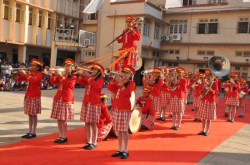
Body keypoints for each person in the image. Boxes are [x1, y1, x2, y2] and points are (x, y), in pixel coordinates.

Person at [108, 65, 136, 159]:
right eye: (123, 72)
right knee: (118, 130)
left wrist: (120, 82)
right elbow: (110, 88)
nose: (123, 74)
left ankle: (126, 150)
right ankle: (120, 149)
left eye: (126, 72)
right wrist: (113, 79)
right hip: (116, 108)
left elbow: (127, 93)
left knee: (124, 130)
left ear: (130, 75)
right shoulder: (119, 82)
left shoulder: (131, 83)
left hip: (124, 108)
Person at [78, 63, 105, 150]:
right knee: (87, 123)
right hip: (87, 102)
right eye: (92, 69)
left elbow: (97, 86)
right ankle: (89, 141)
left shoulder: (100, 79)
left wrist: (88, 76)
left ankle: (94, 142)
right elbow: (80, 82)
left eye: (95, 70)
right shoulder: (89, 78)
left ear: (99, 72)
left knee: (93, 123)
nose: (92, 71)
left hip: (94, 103)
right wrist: (81, 75)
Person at [50, 62, 77, 143]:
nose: (66, 68)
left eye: (68, 66)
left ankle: (64, 136)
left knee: (63, 119)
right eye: (66, 66)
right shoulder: (63, 75)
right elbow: (53, 81)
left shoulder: (73, 77)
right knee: (58, 118)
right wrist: (54, 74)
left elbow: (69, 85)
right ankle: (60, 135)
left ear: (72, 68)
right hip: (58, 97)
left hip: (66, 98)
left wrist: (61, 75)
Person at [16, 59, 43, 139]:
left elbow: (34, 81)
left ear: (38, 68)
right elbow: (19, 79)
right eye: (31, 65)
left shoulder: (39, 74)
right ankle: (30, 131)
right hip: (28, 94)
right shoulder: (30, 73)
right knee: (29, 114)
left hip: (34, 95)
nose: (31, 66)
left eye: (33, 65)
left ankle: (34, 132)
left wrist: (26, 74)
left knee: (34, 114)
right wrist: (19, 74)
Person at [198, 69, 218, 136]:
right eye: (206, 75)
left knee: (209, 118)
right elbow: (200, 91)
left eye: (208, 75)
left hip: (210, 101)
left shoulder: (214, 83)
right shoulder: (204, 82)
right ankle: (203, 130)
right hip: (204, 100)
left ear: (211, 75)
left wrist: (211, 90)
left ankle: (207, 131)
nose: (207, 76)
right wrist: (203, 87)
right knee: (203, 117)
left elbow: (217, 93)